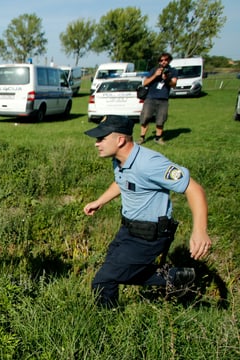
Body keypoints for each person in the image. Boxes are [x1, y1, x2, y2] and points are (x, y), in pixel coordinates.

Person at [83, 115, 211, 308]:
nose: (96, 143)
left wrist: (200, 231)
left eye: (101, 138)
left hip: (149, 236)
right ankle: (178, 277)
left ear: (120, 140)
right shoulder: (119, 160)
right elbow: (123, 181)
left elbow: (194, 189)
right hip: (128, 230)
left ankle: (105, 323)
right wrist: (100, 201)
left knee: (104, 279)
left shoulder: (150, 163)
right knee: (116, 270)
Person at [138, 53, 178, 145]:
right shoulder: (153, 70)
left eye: (166, 60)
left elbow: (174, 84)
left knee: (161, 119)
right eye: (161, 60)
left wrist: (167, 79)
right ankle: (142, 137)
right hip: (150, 98)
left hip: (163, 98)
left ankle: (158, 138)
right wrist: (155, 75)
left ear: (169, 60)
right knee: (145, 118)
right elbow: (145, 82)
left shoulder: (173, 71)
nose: (163, 62)